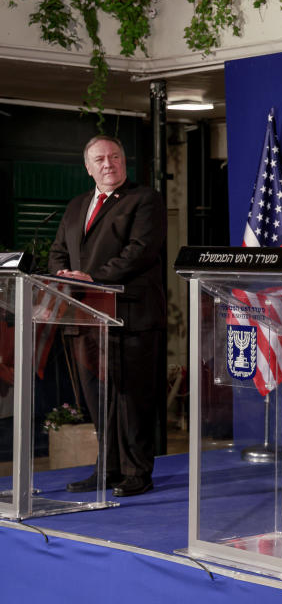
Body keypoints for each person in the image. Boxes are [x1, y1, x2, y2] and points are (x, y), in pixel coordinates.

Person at [48, 134, 166, 498]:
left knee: (132, 399)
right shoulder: (76, 205)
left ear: (123, 161)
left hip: (130, 316)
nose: (108, 164)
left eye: (114, 157)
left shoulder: (144, 199)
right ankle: (108, 468)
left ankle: (136, 472)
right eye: (99, 159)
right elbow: (57, 252)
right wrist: (63, 276)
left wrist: (94, 277)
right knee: (98, 398)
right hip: (85, 317)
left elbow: (140, 251)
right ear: (88, 167)